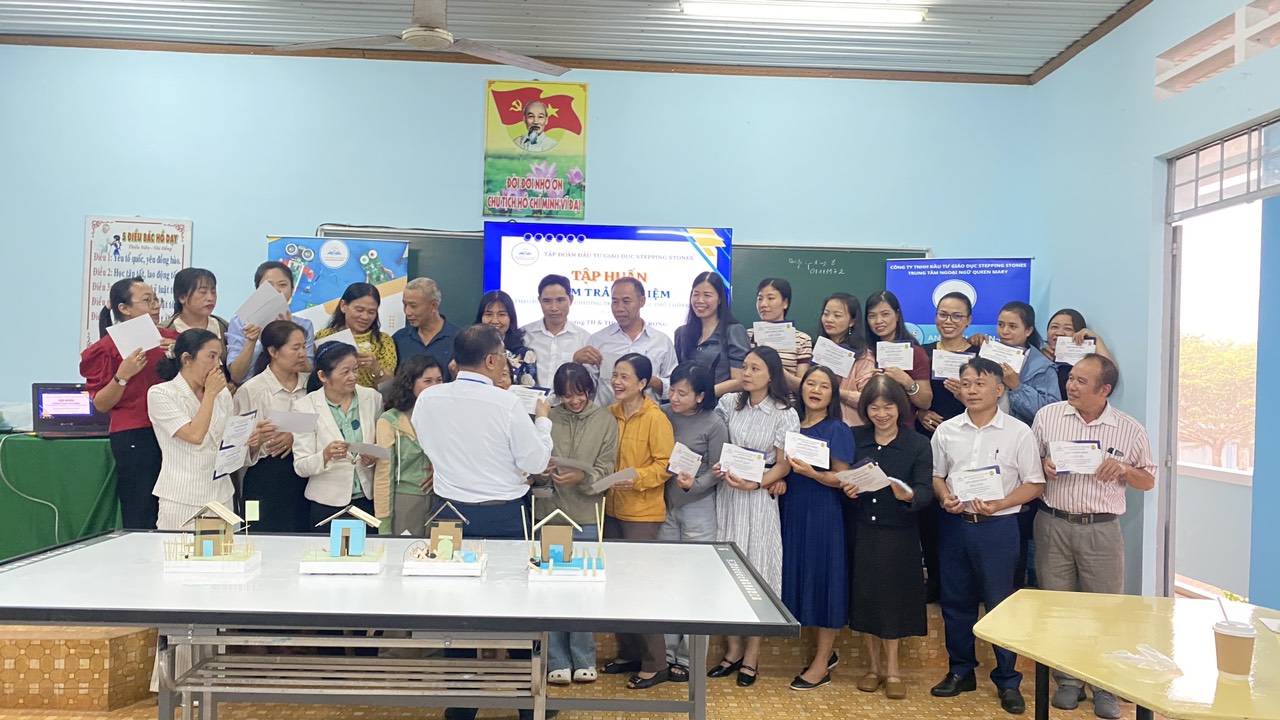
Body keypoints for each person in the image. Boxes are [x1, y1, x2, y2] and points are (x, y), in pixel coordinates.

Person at [1031, 354, 1155, 720]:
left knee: (1106, 612)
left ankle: (1105, 686)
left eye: (1081, 381)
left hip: (1101, 529)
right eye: (1071, 378)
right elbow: (1028, 462)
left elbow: (1148, 480)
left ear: (1105, 390)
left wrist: (1124, 468)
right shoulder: (1048, 416)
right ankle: (1068, 681)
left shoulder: (1129, 429)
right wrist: (1043, 465)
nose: (1071, 385)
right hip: (1053, 522)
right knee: (1058, 608)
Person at [929, 357, 1045, 716]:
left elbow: (1035, 483)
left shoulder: (1018, 432)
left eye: (980, 383)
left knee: (1000, 604)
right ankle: (960, 671)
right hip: (955, 526)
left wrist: (1001, 503)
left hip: (999, 529)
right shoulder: (946, 430)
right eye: (966, 383)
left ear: (999, 389)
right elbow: (937, 476)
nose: (972, 390)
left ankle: (1008, 680)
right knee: (956, 602)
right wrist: (944, 497)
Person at [708, 346, 799, 687]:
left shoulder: (784, 413)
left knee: (757, 570)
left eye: (755, 368)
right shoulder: (731, 402)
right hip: (729, 493)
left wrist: (758, 482)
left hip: (758, 496)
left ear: (772, 374)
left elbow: (784, 464)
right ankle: (732, 650)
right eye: (744, 367)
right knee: (727, 569)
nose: (746, 373)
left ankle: (752, 656)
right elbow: (713, 430)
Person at [412, 324, 553, 539]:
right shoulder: (506, 403)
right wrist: (542, 421)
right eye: (503, 355)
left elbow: (426, 442)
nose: (504, 361)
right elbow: (536, 463)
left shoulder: (428, 398)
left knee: (447, 562)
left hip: (448, 510)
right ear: (490, 361)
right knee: (508, 563)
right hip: (502, 514)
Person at [843, 376, 934, 700]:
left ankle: (893, 671)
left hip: (899, 534)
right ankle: (873, 668)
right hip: (862, 530)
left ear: (900, 407)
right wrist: (847, 489)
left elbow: (925, 490)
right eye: (874, 407)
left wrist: (908, 495)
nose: (881, 414)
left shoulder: (917, 444)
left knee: (892, 602)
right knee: (866, 599)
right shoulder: (855, 438)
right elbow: (842, 476)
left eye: (888, 407)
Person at [530, 362, 618, 686]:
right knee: (549, 586)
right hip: (549, 512)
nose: (574, 401)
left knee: (584, 588)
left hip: (586, 514)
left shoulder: (605, 421)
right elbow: (531, 461)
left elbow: (607, 468)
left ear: (589, 390)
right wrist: (541, 472)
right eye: (566, 396)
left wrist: (582, 477)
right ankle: (556, 659)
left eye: (579, 394)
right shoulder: (547, 418)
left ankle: (583, 658)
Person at [601, 353, 675, 690]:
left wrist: (638, 479)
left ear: (643, 383)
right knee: (617, 586)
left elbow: (665, 465)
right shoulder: (609, 414)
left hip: (642, 514)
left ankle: (656, 663)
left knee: (642, 588)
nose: (617, 382)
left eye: (625, 377)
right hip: (610, 510)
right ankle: (629, 653)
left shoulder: (656, 418)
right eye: (615, 375)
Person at [80, 277, 178, 529]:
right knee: (141, 509)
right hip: (135, 434)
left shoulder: (171, 340)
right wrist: (122, 375)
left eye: (156, 299)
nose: (156, 305)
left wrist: (182, 356)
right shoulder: (105, 349)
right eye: (147, 300)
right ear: (124, 308)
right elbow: (101, 404)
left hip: (175, 430)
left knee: (174, 504)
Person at [780, 365, 855, 691]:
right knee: (802, 580)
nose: (816, 390)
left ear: (832, 395)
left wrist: (813, 474)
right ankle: (826, 653)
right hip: (791, 510)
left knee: (824, 583)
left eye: (824, 386)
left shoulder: (837, 428)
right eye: (811, 383)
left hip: (823, 513)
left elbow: (843, 477)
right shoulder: (790, 424)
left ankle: (822, 663)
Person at [658, 362, 727, 682]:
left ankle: (689, 657)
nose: (674, 397)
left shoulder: (714, 423)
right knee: (666, 582)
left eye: (682, 393)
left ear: (700, 396)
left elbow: (718, 470)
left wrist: (694, 485)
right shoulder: (662, 414)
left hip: (698, 507)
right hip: (665, 506)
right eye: (672, 390)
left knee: (697, 584)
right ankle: (665, 651)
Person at [917, 291, 982, 602]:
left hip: (968, 441)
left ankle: (969, 586)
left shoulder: (979, 357)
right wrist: (920, 412)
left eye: (957, 316)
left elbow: (992, 401)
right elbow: (909, 395)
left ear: (968, 320)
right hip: (927, 438)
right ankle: (935, 581)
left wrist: (963, 397)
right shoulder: (922, 353)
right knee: (930, 512)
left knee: (963, 507)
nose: (949, 321)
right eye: (943, 314)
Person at [147, 329, 242, 529]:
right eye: (211, 356)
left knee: (225, 549)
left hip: (222, 494)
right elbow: (195, 435)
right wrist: (210, 395)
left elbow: (227, 442)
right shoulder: (161, 394)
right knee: (180, 549)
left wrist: (248, 438)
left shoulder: (223, 394)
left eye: (219, 357)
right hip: (183, 497)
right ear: (186, 359)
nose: (218, 365)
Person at [232, 320, 311, 533]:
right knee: (261, 536)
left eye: (304, 347)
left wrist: (295, 437)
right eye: (295, 348)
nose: (302, 354)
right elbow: (233, 448)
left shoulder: (312, 385)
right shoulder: (251, 390)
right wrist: (254, 441)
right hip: (264, 477)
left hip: (306, 475)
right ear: (273, 351)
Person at [292, 342, 383, 526]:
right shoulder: (303, 407)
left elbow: (382, 445)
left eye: (355, 370)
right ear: (322, 376)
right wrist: (325, 455)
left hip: (367, 499)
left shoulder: (372, 397)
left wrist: (373, 456)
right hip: (327, 503)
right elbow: (301, 466)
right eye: (345, 372)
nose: (353, 377)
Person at [576, 277, 677, 407]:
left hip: (646, 417)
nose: (619, 308)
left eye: (626, 301)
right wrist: (577, 363)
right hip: (606, 416)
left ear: (642, 301)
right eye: (615, 302)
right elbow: (586, 387)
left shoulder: (661, 341)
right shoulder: (598, 340)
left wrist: (652, 382)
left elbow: (674, 386)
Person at [373, 355, 444, 536]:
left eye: (439, 380)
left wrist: (441, 469)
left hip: (441, 499)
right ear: (409, 384)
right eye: (427, 381)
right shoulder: (390, 420)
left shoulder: (446, 416)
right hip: (404, 501)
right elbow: (384, 474)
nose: (435, 387)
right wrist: (384, 522)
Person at [226, 261, 317, 384]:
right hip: (249, 390)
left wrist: (290, 332)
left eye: (282, 285)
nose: (276, 291)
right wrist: (251, 341)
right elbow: (236, 375)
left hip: (292, 390)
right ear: (258, 290)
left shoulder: (304, 325)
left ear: (292, 290)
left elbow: (308, 372)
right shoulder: (241, 322)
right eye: (268, 286)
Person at [674, 272, 750, 397]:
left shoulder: (734, 331)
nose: (700, 300)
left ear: (719, 299)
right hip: (685, 404)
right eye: (696, 294)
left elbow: (740, 380)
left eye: (707, 295)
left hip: (719, 404)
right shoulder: (681, 333)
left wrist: (704, 395)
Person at [864, 291, 933, 422]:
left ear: (897, 315)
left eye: (885, 314)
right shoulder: (865, 353)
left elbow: (926, 403)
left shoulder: (915, 353)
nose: (878, 321)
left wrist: (907, 382)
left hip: (903, 428)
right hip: (870, 426)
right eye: (872, 316)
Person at [316, 283, 397, 390]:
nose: (365, 317)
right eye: (359, 310)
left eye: (371, 312)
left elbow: (388, 388)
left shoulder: (383, 341)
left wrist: (376, 368)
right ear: (343, 306)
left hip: (369, 399)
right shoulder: (325, 336)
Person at [520, 274, 592, 392]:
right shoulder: (524, 335)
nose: (554, 308)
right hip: (530, 402)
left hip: (568, 403)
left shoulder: (585, 339)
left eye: (560, 300)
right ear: (539, 301)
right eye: (547, 301)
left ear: (571, 299)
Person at [815, 292, 876, 426]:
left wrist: (835, 392)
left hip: (849, 427)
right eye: (826, 314)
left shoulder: (864, 356)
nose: (829, 319)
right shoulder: (817, 350)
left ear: (852, 321)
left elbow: (868, 399)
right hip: (816, 423)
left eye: (837, 315)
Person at [749, 278, 813, 393]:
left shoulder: (802, 340)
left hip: (786, 401)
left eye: (770, 298)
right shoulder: (747, 335)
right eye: (760, 298)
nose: (763, 304)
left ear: (785, 303)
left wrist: (775, 367)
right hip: (753, 400)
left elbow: (802, 387)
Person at [393, 277, 462, 382]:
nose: (407, 312)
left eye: (413, 306)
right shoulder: (399, 339)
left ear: (434, 306)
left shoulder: (460, 340)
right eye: (405, 305)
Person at [1041, 308, 1116, 401]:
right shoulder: (1037, 355)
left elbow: (1110, 375)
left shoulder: (1085, 363)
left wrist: (1096, 339)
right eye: (1054, 327)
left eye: (1068, 328)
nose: (1059, 333)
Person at [160, 268, 230, 361]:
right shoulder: (165, 330)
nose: (210, 298)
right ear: (182, 297)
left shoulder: (223, 326)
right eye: (203, 292)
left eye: (213, 292)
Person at [476, 289, 538, 387]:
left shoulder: (525, 355)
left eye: (502, 314)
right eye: (488, 314)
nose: (495, 321)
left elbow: (528, 392)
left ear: (511, 318)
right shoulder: (469, 349)